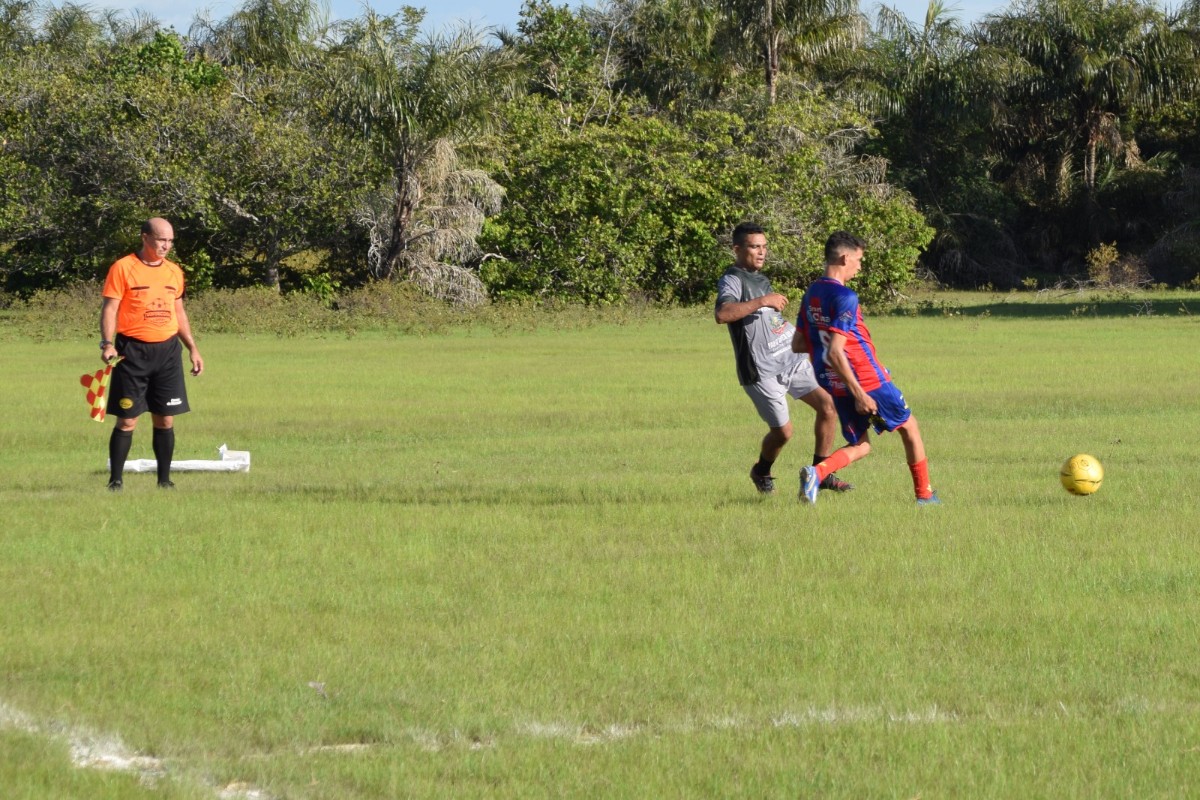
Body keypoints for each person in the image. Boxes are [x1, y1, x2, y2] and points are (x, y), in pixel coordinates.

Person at [793, 231, 938, 505]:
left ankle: (817, 472)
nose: (860, 266)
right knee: (910, 428)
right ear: (845, 257)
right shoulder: (845, 296)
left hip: (832, 380)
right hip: (865, 379)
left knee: (862, 444)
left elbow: (799, 343)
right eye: (858, 260)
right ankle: (925, 496)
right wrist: (859, 392)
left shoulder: (811, 293)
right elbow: (836, 350)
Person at [715, 221, 851, 495]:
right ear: (737, 249)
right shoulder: (733, 278)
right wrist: (763, 301)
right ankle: (761, 471)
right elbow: (723, 313)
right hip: (761, 371)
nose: (762, 252)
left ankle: (821, 472)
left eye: (764, 247)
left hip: (791, 360)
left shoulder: (761, 278)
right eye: (755, 247)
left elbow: (770, 322)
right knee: (783, 433)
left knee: (828, 407)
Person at [99, 217, 204, 491]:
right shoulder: (123, 268)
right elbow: (110, 308)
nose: (166, 246)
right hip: (132, 351)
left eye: (170, 241)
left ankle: (164, 480)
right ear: (145, 237)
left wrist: (192, 347)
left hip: (168, 352)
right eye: (161, 240)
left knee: (165, 417)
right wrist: (107, 343)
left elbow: (178, 312)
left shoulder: (174, 272)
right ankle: (116, 481)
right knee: (127, 419)